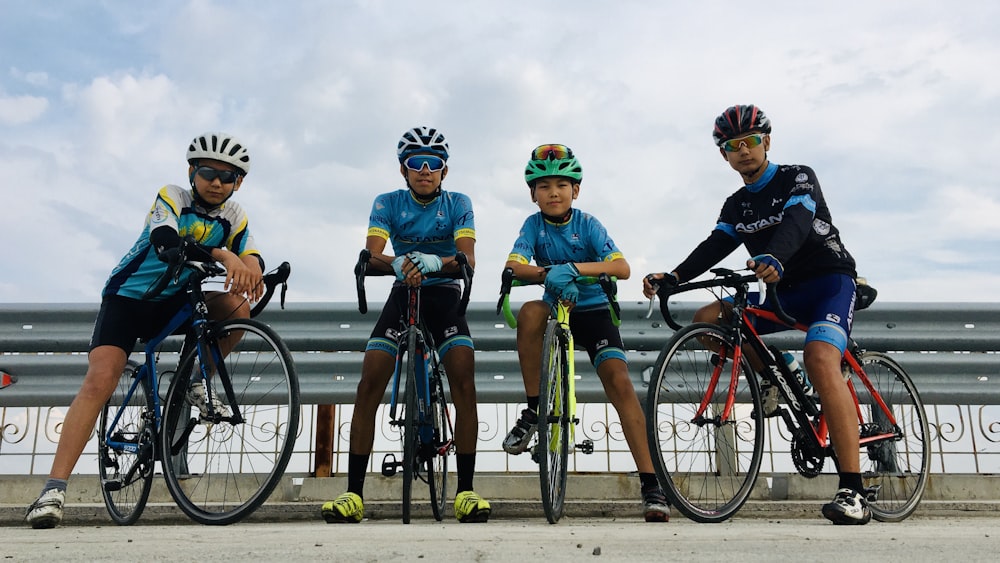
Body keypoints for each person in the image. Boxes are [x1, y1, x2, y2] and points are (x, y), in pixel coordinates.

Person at [25, 132, 265, 529]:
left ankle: (193, 380)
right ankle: (53, 490)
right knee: (101, 380)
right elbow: (164, 239)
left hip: (174, 300)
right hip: (129, 298)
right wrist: (222, 254)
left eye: (228, 176)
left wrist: (252, 269)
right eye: (208, 172)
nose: (217, 182)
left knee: (239, 306)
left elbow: (250, 253)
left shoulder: (235, 214)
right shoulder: (172, 196)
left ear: (239, 182)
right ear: (192, 173)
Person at [642, 104, 869, 525]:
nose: (743, 151)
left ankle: (853, 491)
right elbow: (715, 245)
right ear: (724, 155)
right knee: (708, 319)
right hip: (782, 293)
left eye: (750, 142)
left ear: (767, 141)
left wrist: (775, 256)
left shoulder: (797, 176)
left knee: (821, 359)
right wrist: (672, 276)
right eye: (732, 146)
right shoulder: (736, 204)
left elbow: (799, 221)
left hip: (829, 283)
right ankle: (776, 368)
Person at [321, 127, 490, 524]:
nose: (425, 170)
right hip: (403, 292)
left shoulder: (459, 203)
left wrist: (434, 262)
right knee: (369, 383)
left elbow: (468, 259)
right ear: (403, 169)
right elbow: (372, 255)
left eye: (434, 164)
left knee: (465, 378)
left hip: (444, 293)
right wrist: (398, 262)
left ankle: (465, 492)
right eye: (417, 163)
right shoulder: (387, 203)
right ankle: (353, 494)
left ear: (445, 171)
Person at [501, 144, 670, 522]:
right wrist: (549, 274)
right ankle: (534, 408)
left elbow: (621, 267)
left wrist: (575, 268)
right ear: (533, 194)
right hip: (556, 308)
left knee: (620, 383)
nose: (554, 192)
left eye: (562, 184)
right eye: (544, 186)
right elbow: (513, 266)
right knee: (530, 311)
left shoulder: (588, 224)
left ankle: (651, 485)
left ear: (576, 190)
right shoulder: (533, 225)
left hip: (593, 310)